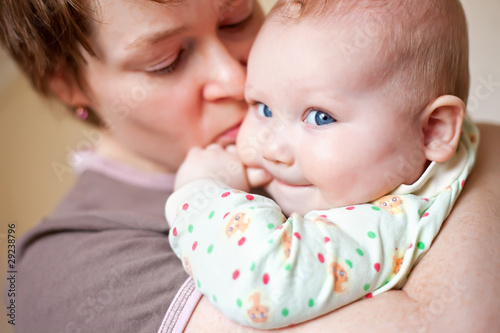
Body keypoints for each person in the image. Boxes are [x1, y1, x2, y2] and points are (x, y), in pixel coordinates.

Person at [0, 0, 498, 332]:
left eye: (237, 19)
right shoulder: (64, 267)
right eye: (166, 60)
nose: (234, 77)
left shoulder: (320, 144)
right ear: (69, 85)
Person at [166, 0, 478, 328]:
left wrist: (200, 194)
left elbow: (261, 284)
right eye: (263, 108)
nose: (271, 149)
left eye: (320, 116)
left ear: (433, 130)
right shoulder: (438, 156)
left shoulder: (381, 225)